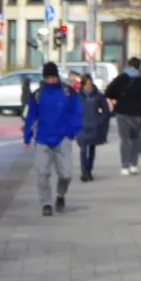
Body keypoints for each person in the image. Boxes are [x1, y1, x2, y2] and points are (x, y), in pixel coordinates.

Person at [24, 62, 82, 215]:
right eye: (48, 78)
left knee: (66, 174)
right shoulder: (37, 95)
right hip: (43, 139)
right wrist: (27, 137)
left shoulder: (68, 93)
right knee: (42, 173)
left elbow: (76, 112)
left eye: (53, 77)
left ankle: (60, 194)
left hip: (62, 138)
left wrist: (71, 131)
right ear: (44, 78)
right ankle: (46, 204)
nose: (51, 80)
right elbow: (31, 116)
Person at [104, 56, 141, 174]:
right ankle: (133, 164)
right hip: (136, 113)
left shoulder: (120, 78)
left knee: (124, 139)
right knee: (135, 139)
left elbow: (108, 92)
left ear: (128, 64)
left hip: (122, 112)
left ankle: (124, 166)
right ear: (139, 66)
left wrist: (119, 98)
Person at [76, 73, 111, 182]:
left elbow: (106, 111)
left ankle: (89, 170)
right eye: (86, 84)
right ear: (82, 85)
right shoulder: (77, 96)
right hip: (81, 126)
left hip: (94, 126)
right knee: (82, 149)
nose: (88, 86)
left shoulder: (98, 96)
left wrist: (99, 120)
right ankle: (84, 172)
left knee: (91, 149)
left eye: (90, 84)